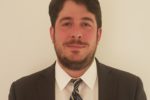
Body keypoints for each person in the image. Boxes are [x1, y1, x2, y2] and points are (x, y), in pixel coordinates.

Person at [9, 0, 147, 100]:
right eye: (67, 23)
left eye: (86, 24)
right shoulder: (21, 92)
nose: (76, 33)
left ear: (99, 34)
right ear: (52, 33)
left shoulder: (131, 89)